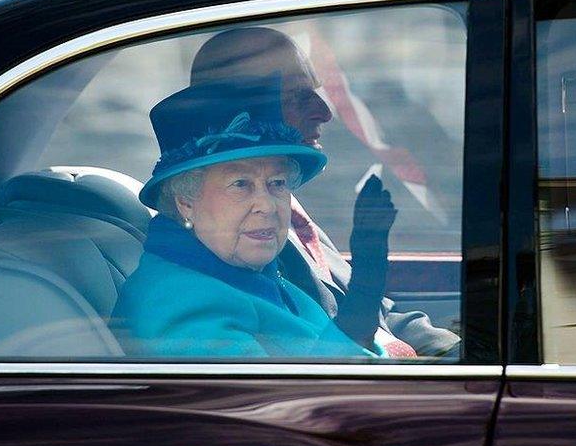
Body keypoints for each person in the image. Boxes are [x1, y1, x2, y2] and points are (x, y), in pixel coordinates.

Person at [190, 27, 460, 358]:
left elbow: (379, 318)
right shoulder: (242, 241)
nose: (324, 111)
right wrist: (366, 280)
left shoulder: (283, 207)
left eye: (275, 182)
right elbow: (319, 368)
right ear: (243, 108)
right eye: (298, 97)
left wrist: (458, 352)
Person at [111, 78, 389, 358]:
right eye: (241, 184)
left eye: (277, 183)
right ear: (186, 202)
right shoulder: (180, 304)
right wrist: (361, 301)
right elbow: (289, 399)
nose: (267, 206)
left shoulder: (253, 274)